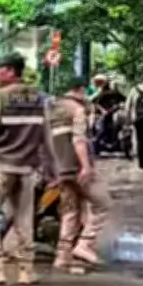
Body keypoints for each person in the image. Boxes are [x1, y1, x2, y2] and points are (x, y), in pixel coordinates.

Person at [0, 52, 59, 286]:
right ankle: (27, 270)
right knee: (24, 219)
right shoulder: (39, 98)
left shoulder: (0, 97)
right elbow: (47, 135)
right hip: (28, 169)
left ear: (11, 72)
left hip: (1, 167)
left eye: (0, 69)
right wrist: (53, 169)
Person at [49, 79, 112, 271]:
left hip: (59, 169)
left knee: (70, 211)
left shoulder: (52, 110)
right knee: (103, 204)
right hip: (76, 167)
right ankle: (85, 243)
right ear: (80, 90)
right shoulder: (77, 110)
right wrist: (85, 166)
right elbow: (79, 140)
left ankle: (62, 256)